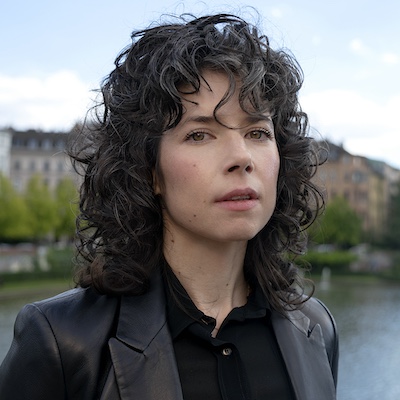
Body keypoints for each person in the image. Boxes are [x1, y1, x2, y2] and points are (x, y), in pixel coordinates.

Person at [0, 13, 338, 400]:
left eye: (258, 132)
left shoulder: (317, 329)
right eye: (199, 134)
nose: (242, 157)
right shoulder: (61, 341)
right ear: (149, 172)